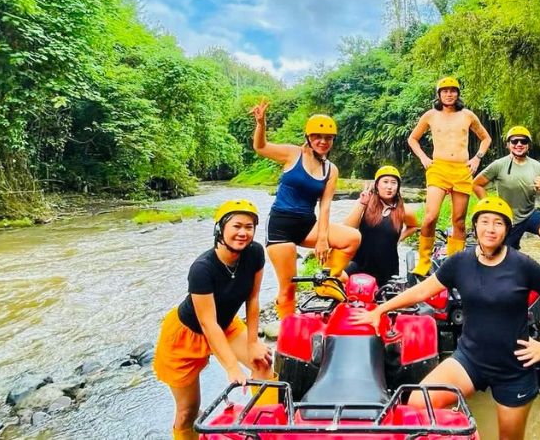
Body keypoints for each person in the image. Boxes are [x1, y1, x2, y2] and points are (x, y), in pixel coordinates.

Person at [353, 197, 540, 440]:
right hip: (470, 359)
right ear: (475, 226)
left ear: (507, 229)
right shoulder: (460, 262)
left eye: (498, 223)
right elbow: (421, 291)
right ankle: (467, 429)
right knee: (418, 402)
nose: (490, 229)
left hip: (513, 368)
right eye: (485, 222)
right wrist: (379, 310)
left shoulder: (523, 265)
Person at [153, 200, 274, 440]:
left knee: (262, 363)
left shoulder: (255, 253)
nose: (243, 233)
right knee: (187, 412)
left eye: (249, 227)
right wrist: (232, 368)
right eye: (236, 226)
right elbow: (208, 324)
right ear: (220, 229)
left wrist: (252, 342)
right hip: (186, 334)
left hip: (227, 325)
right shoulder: (202, 269)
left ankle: (266, 428)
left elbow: (253, 299)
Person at [251, 99, 361, 318]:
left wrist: (322, 238)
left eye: (328, 138)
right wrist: (261, 124)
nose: (322, 141)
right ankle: (287, 333)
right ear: (308, 138)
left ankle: (327, 280)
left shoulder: (331, 169)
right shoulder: (293, 154)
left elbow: (326, 204)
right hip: (281, 227)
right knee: (288, 287)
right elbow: (260, 147)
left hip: (308, 224)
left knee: (352, 238)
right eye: (317, 137)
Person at [472, 125, 540, 293]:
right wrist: (491, 206)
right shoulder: (499, 165)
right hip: (506, 219)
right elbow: (476, 184)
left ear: (528, 145)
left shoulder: (538, 167)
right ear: (508, 144)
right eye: (515, 141)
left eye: (523, 141)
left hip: (529, 214)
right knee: (497, 259)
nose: (519, 144)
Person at [407, 76, 492, 275]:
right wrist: (423, 158)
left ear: (458, 94)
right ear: (439, 94)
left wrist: (477, 158)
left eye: (453, 90)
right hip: (438, 169)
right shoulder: (430, 115)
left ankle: (455, 263)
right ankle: (424, 261)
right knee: (430, 217)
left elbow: (486, 138)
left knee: (459, 220)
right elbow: (412, 139)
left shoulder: (468, 115)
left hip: (462, 170)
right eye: (445, 91)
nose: (449, 94)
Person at [343, 165, 420, 286]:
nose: (389, 187)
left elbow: (414, 226)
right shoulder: (365, 203)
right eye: (385, 182)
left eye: (394, 183)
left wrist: (399, 238)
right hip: (360, 264)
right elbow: (347, 228)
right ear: (377, 185)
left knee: (384, 301)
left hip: (387, 268)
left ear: (398, 187)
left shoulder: (404, 210)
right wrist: (362, 203)